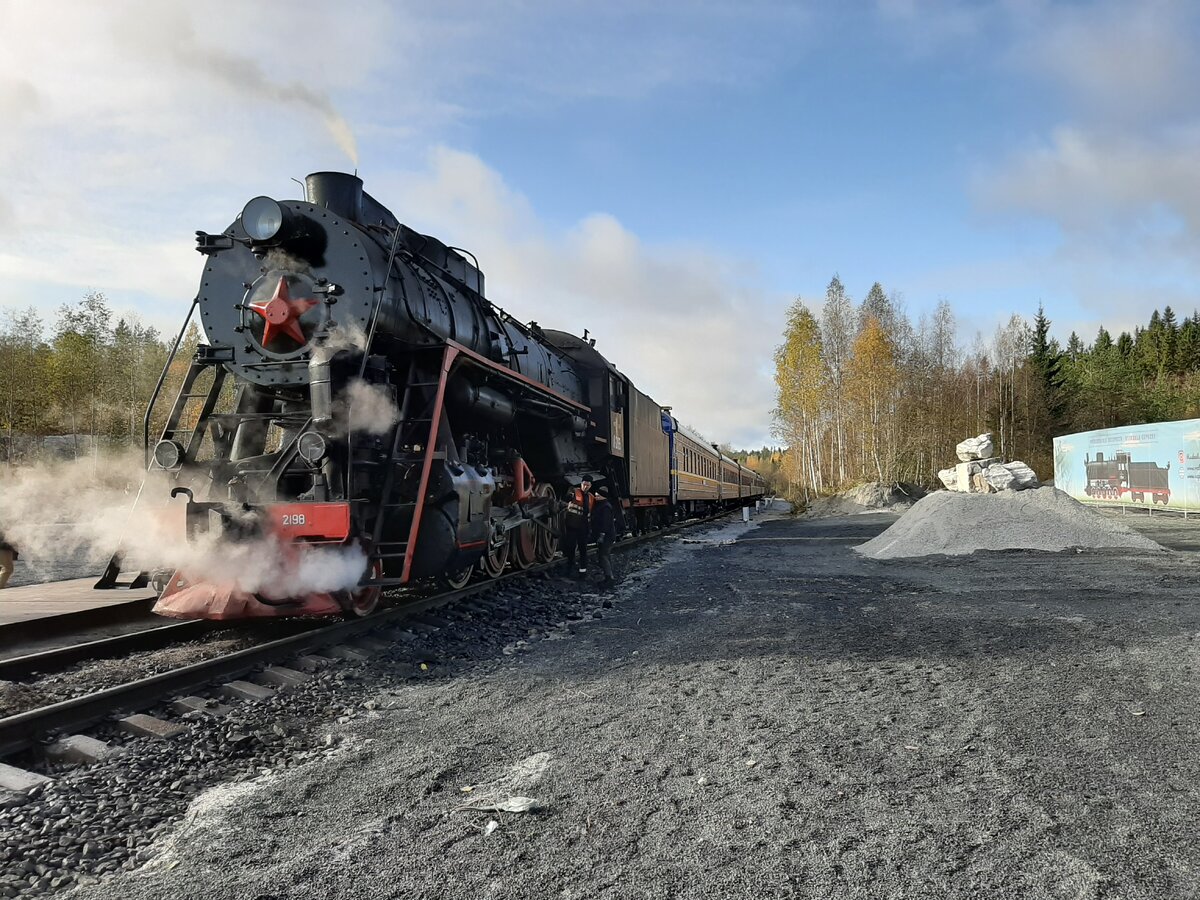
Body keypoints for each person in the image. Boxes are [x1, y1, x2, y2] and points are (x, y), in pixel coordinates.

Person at [561, 474, 596, 579]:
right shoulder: (574, 491)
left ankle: (582, 572)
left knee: (583, 550)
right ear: (581, 483)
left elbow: (592, 512)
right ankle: (569, 570)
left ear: (590, 486)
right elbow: (568, 497)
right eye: (584, 484)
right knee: (570, 548)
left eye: (588, 485)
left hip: (584, 528)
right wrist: (569, 497)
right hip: (572, 526)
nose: (585, 487)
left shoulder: (591, 498)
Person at [591, 486, 620, 589]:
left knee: (603, 556)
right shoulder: (602, 505)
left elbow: (606, 523)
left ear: (603, 496)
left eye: (598, 495)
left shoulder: (605, 507)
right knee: (604, 555)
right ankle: (608, 577)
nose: (596, 496)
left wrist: (601, 535)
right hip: (606, 535)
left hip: (607, 536)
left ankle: (609, 578)